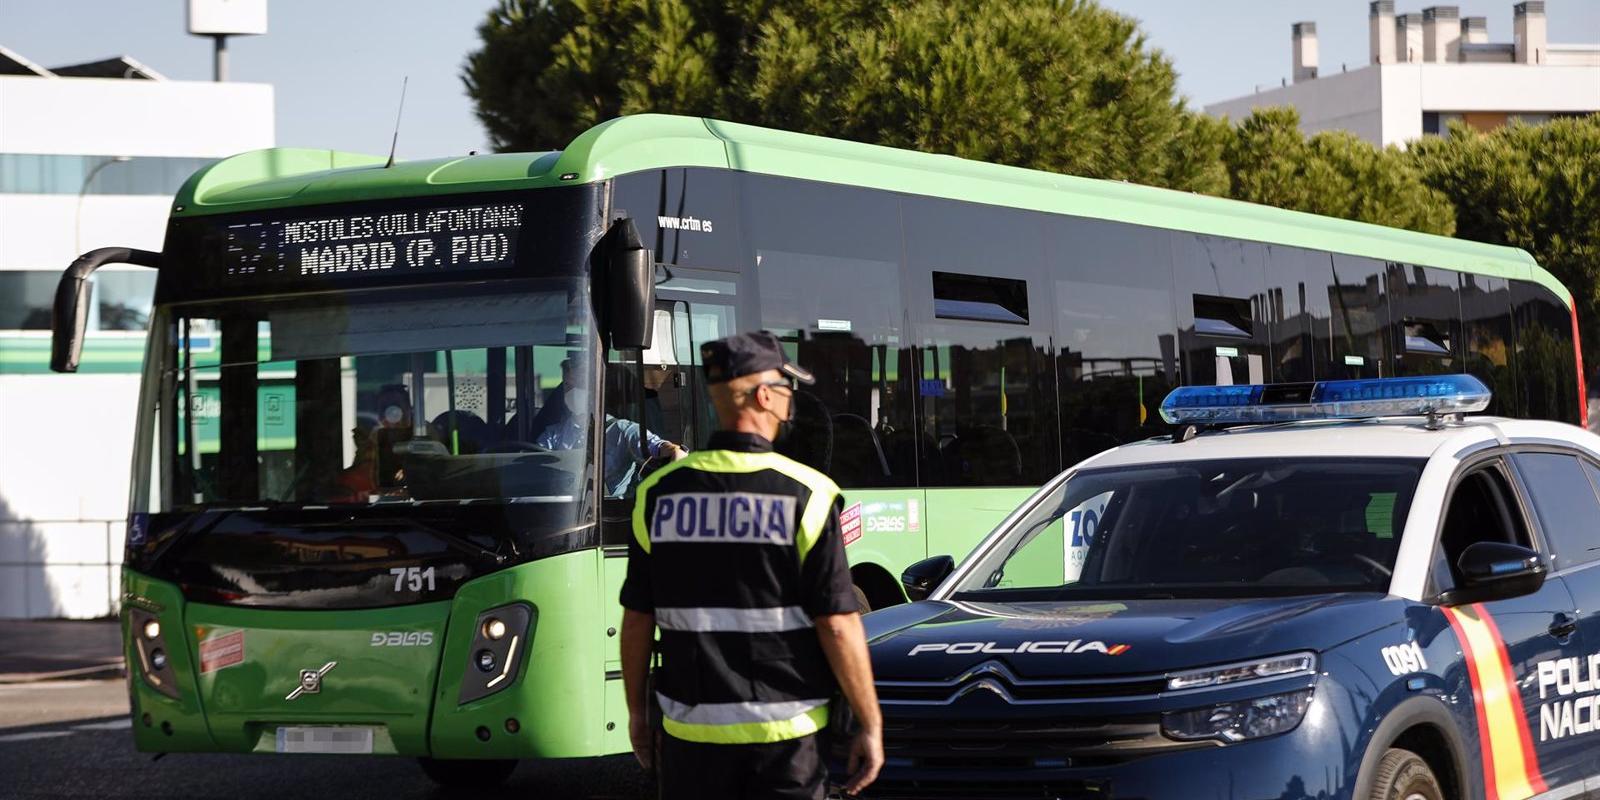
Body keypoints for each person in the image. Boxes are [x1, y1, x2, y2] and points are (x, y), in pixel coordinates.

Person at [619, 331, 883, 800]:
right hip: (787, 744)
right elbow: (839, 626)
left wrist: (638, 716)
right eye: (785, 390)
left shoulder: (657, 496)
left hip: (690, 744)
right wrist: (869, 722)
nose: (789, 402)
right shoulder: (809, 496)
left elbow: (638, 620)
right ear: (764, 395)